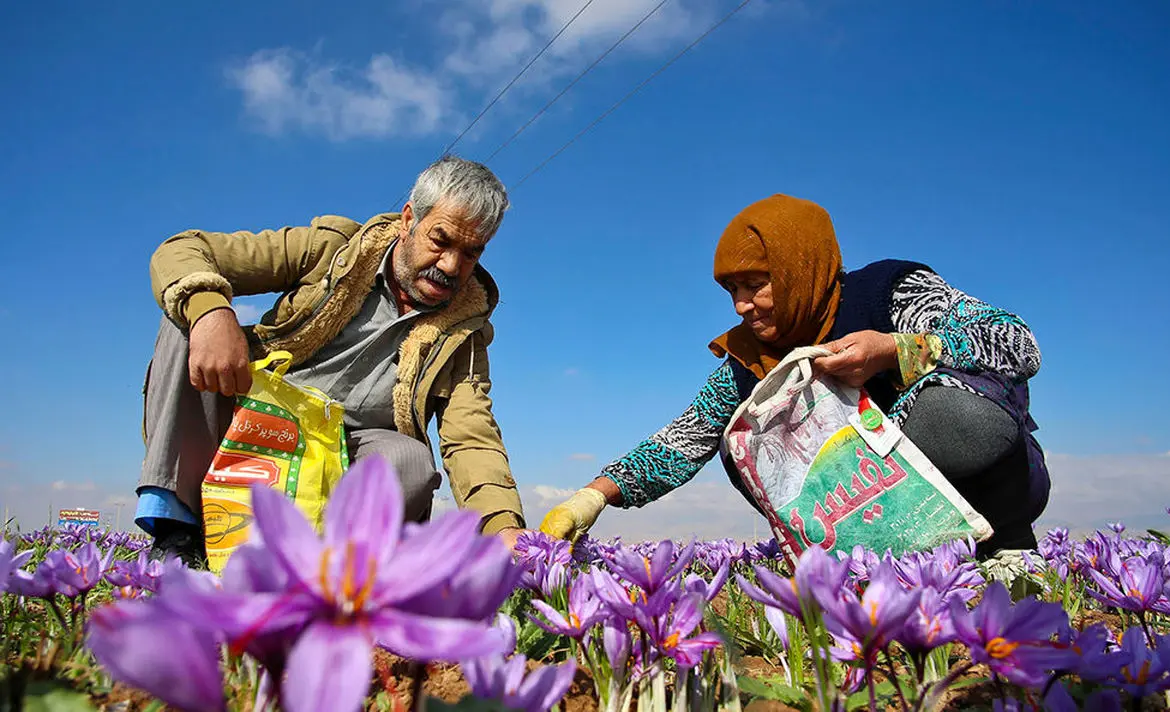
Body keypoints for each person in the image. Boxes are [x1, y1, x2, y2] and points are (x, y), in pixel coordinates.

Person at [540, 194, 1048, 559]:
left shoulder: (889, 294)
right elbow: (686, 437)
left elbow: (1014, 342)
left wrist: (895, 351)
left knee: (951, 413)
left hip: (986, 476)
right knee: (743, 432)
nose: (742, 306)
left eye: (756, 285)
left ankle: (1006, 543)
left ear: (797, 268)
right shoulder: (754, 357)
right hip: (869, 528)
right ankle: (858, 565)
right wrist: (592, 496)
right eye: (731, 290)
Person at [137, 156, 527, 567]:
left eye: (471, 253)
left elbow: (472, 436)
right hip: (251, 416)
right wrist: (209, 311)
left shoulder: (465, 330)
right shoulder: (331, 251)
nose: (451, 266)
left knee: (409, 460)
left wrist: (501, 525)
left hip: (344, 456)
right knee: (187, 315)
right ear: (409, 219)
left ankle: (320, 570)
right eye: (440, 240)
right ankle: (177, 536)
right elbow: (184, 251)